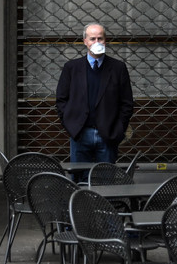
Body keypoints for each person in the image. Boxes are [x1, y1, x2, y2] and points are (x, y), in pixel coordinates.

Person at [55, 22, 134, 168]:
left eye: (100, 38)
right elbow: (61, 99)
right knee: (79, 180)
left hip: (107, 134)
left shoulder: (118, 68)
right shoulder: (71, 68)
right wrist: (71, 125)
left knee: (106, 179)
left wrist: (118, 129)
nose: (96, 42)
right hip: (80, 133)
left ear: (106, 40)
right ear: (85, 41)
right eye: (92, 39)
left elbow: (127, 102)